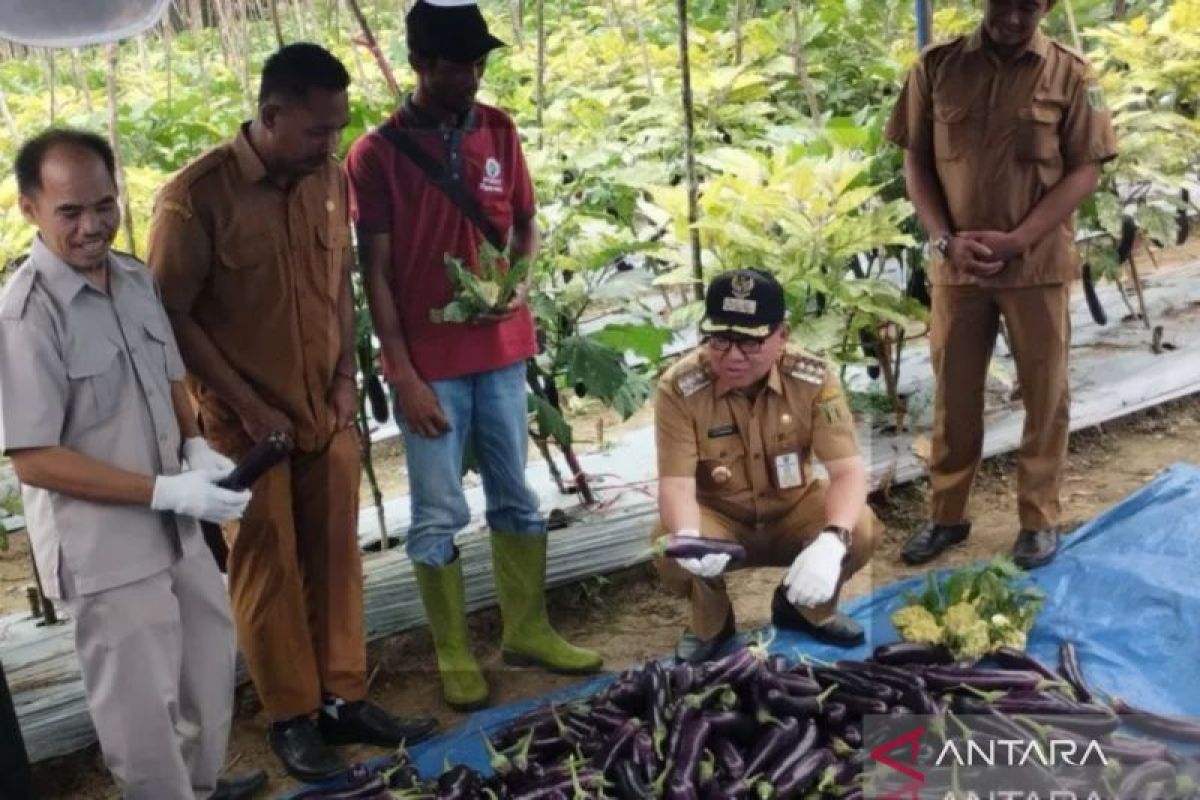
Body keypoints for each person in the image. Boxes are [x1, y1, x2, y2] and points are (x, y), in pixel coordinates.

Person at [146, 44, 436, 782]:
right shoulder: (193, 199)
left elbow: (339, 280)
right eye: (317, 130)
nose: (333, 144)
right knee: (267, 568)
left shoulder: (327, 178)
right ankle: (291, 716)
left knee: (339, 555)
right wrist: (245, 403)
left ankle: (344, 698)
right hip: (245, 426)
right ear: (270, 116)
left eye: (338, 128)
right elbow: (172, 317)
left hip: (323, 410)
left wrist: (346, 375)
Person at [345, 0, 602, 712]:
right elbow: (377, 272)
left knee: (516, 496)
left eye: (479, 64)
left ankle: (528, 630)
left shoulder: (498, 130)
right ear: (421, 65)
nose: (472, 78)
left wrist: (516, 289)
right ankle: (454, 652)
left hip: (501, 352)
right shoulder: (375, 155)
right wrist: (401, 373)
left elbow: (524, 225)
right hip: (430, 366)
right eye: (458, 66)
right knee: (436, 512)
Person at [0, 129, 266, 800]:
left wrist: (195, 444)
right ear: (30, 207)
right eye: (70, 212)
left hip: (177, 528)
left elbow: (169, 376)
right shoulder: (26, 315)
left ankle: (199, 789)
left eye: (104, 204)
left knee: (209, 670)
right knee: (141, 715)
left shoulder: (133, 277)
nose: (92, 226)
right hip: (106, 552)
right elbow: (33, 459)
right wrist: (164, 491)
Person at [885, 0, 1118, 569]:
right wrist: (944, 239)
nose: (1014, 16)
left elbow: (1085, 169)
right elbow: (916, 161)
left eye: (1029, 6)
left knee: (1044, 392)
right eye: (1004, 3)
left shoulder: (1072, 73)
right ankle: (947, 515)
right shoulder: (936, 67)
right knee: (954, 391)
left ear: (1047, 7)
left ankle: (1039, 519)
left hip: (1035, 266)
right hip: (959, 266)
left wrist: (1019, 240)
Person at [653, 269, 880, 663]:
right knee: (669, 544)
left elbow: (847, 471)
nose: (732, 356)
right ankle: (712, 623)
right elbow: (676, 487)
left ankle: (806, 609)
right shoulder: (680, 388)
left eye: (750, 341)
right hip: (720, 520)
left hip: (793, 510)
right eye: (719, 339)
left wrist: (832, 540)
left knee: (859, 527)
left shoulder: (813, 380)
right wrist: (690, 534)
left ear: (782, 335)